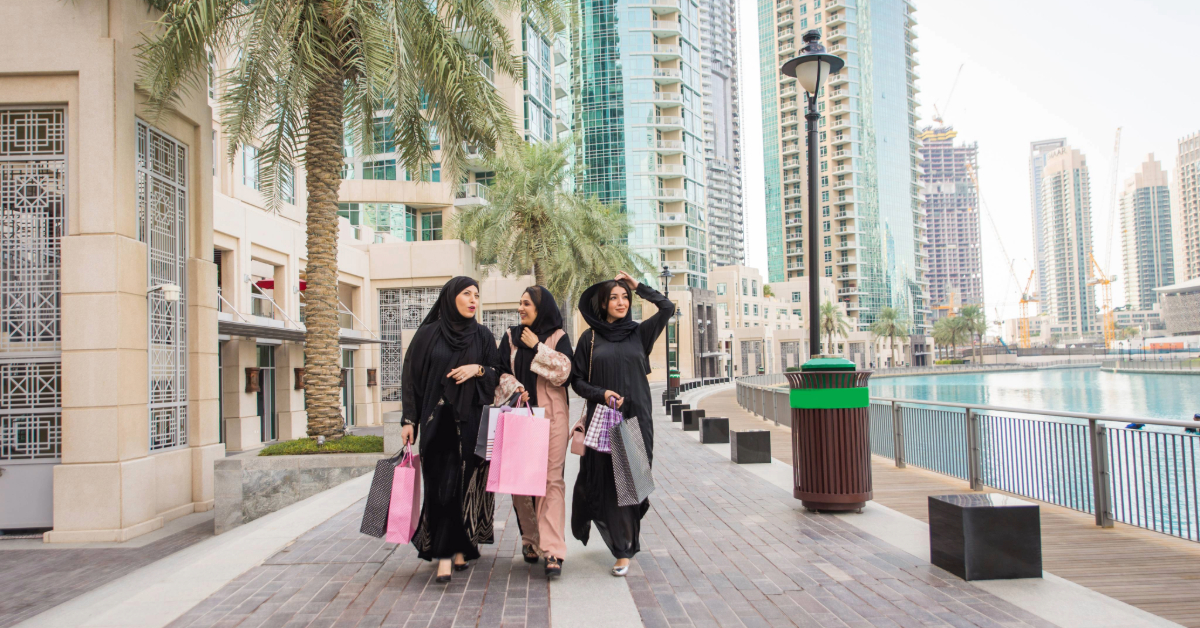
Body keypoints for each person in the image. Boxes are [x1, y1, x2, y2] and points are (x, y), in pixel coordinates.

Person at [570, 271, 674, 577]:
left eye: (624, 297)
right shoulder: (589, 339)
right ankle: (623, 548)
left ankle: (625, 540)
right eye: (613, 297)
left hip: (636, 418)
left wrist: (637, 285)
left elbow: (667, 307)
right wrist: (600, 393)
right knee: (607, 482)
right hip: (603, 420)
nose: (621, 302)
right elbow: (576, 380)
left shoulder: (639, 333)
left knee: (631, 484)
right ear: (602, 304)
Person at [400, 277, 500, 583]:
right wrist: (409, 420)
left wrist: (478, 369)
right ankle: (443, 555)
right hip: (437, 421)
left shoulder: (482, 336)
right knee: (441, 488)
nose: (473, 300)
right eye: (466, 294)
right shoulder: (428, 334)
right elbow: (411, 377)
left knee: (464, 486)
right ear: (450, 297)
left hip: (471, 421)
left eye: (476, 295)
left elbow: (497, 375)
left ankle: (461, 548)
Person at [494, 286, 574, 577]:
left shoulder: (558, 337)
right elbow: (498, 371)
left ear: (541, 308)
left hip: (553, 418)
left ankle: (553, 550)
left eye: (526, 303)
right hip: (520, 415)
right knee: (521, 482)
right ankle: (530, 540)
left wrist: (539, 346)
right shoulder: (510, 338)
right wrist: (514, 387)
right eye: (519, 303)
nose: (520, 308)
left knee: (551, 480)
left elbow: (565, 373)